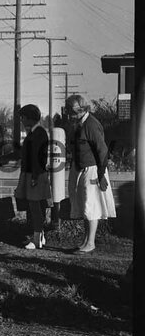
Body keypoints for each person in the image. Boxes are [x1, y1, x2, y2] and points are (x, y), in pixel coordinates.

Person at [63, 94, 115, 253]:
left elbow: (103, 150)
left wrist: (101, 175)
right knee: (85, 205)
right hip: (82, 168)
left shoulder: (91, 125)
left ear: (78, 110)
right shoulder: (79, 124)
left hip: (92, 170)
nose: (67, 114)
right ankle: (86, 241)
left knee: (91, 206)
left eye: (69, 110)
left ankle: (91, 242)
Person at [14, 104, 50, 249]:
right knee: (35, 207)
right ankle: (39, 236)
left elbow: (38, 157)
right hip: (33, 173)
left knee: (35, 207)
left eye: (23, 117)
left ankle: (37, 239)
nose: (21, 120)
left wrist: (35, 176)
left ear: (30, 118)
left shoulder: (38, 133)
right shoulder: (35, 132)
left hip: (35, 174)